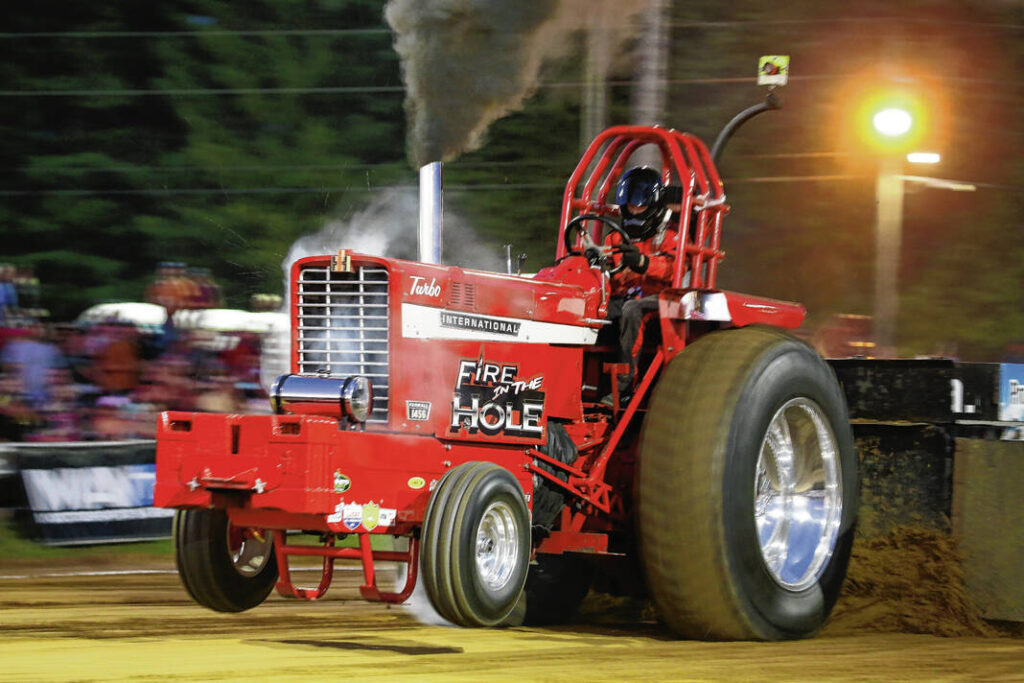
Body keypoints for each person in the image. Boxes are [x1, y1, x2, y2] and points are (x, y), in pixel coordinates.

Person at [601, 166, 681, 407]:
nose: (634, 210)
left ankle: (626, 385)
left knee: (632, 310)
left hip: (667, 297)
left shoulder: (671, 235)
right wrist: (601, 268)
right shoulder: (615, 238)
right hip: (628, 296)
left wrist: (643, 263)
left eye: (640, 205)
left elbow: (674, 269)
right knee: (589, 309)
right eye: (630, 204)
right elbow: (613, 279)